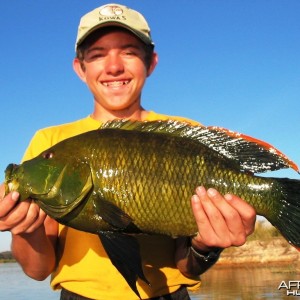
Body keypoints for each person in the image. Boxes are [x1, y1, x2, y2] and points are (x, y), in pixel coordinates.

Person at [0, 3, 256, 300]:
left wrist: (206, 247)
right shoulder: (49, 140)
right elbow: (38, 269)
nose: (113, 67)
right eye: (97, 55)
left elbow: (187, 267)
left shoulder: (185, 134)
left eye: (129, 52)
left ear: (152, 62)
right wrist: (24, 229)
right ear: (79, 68)